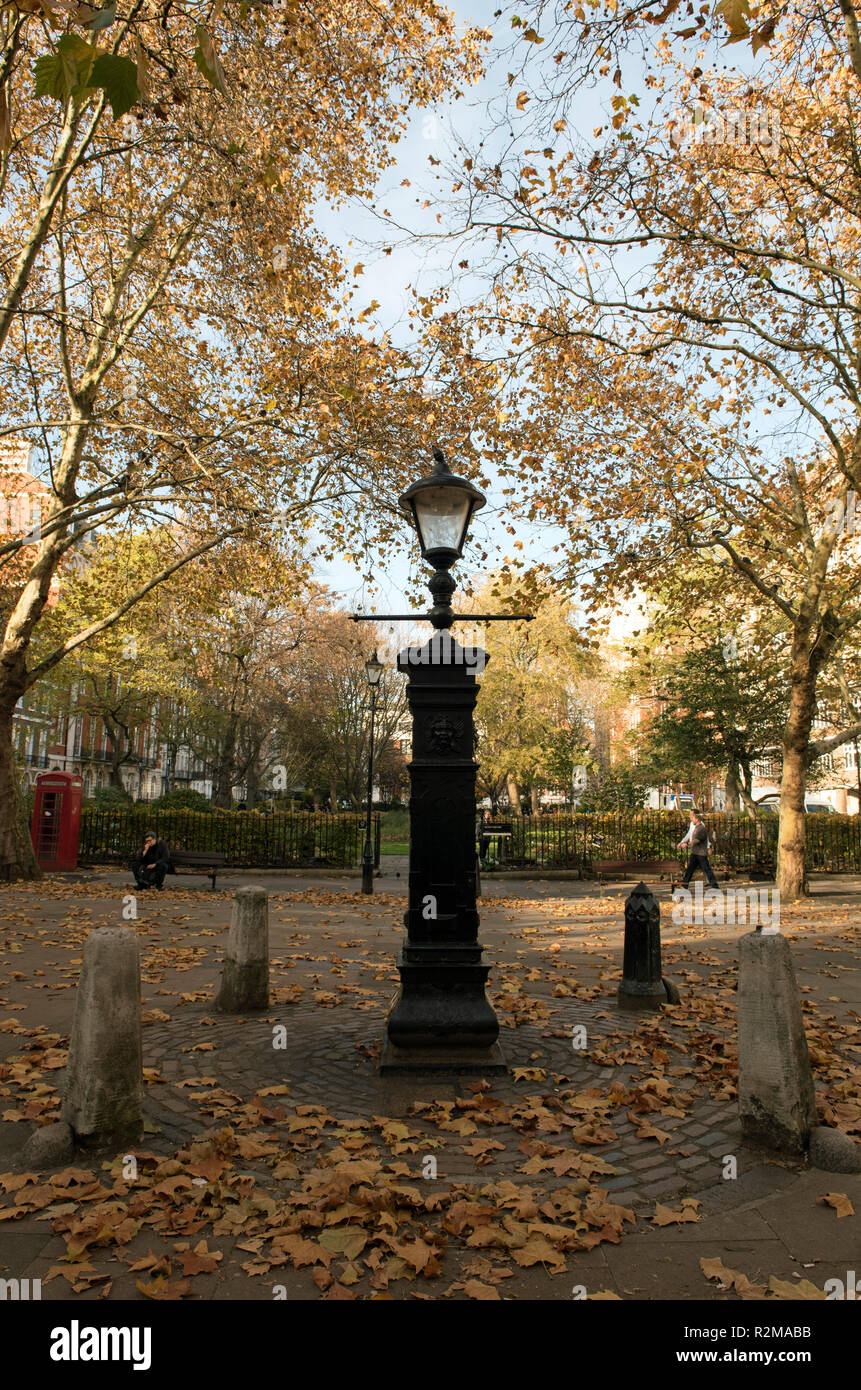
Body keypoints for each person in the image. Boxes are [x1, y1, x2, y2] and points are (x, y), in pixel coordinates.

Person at [675, 809, 719, 890]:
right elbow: (689, 835)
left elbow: (698, 839)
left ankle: (715, 886)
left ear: (697, 818)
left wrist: (687, 844)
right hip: (695, 852)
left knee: (707, 870)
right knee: (690, 869)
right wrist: (682, 842)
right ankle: (684, 885)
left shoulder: (701, 828)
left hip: (700, 853)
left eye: (692, 816)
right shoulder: (694, 826)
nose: (690, 818)